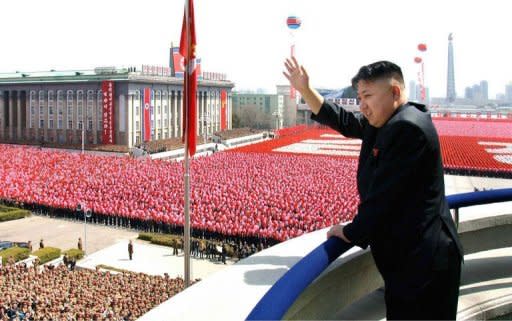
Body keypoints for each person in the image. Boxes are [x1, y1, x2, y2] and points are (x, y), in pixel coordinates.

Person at [284, 58, 463, 319]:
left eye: (367, 96)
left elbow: (382, 200)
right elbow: (344, 121)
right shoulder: (390, 119)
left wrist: (349, 231)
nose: (362, 105)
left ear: (395, 92)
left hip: (423, 267)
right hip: (415, 262)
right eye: (359, 97)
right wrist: (306, 90)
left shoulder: (406, 128)